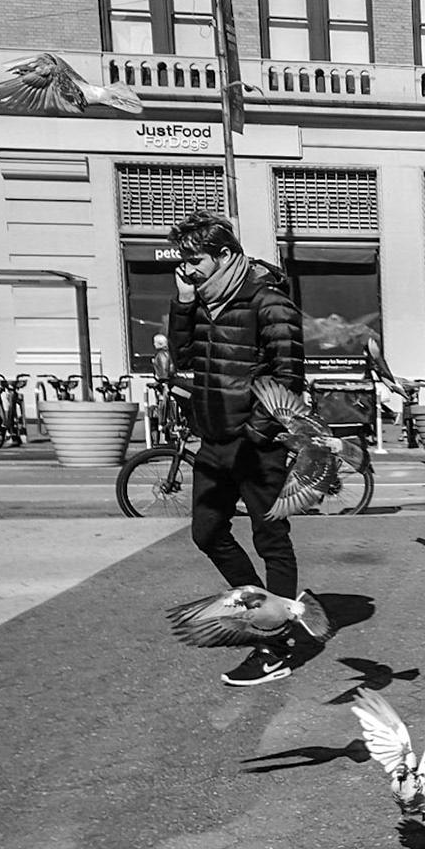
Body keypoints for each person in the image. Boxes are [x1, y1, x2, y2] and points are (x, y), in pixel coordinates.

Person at [166, 210, 311, 687]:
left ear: (225, 254)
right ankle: (258, 609)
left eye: (195, 259)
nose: (187, 267)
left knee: (272, 540)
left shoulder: (270, 304)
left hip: (254, 445)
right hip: (213, 440)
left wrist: (255, 432)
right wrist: (184, 304)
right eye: (183, 259)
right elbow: (186, 357)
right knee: (206, 533)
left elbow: (288, 379)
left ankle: (276, 644)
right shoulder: (204, 301)